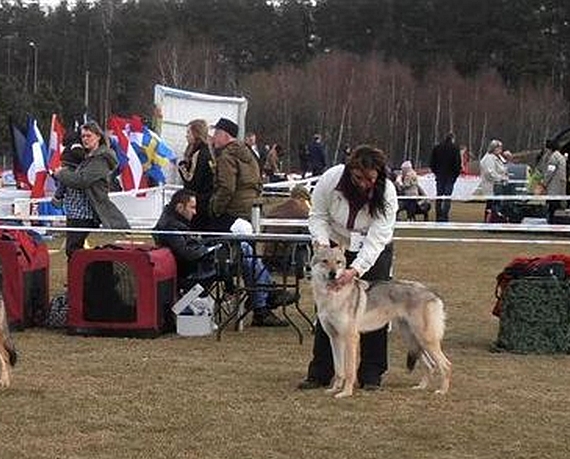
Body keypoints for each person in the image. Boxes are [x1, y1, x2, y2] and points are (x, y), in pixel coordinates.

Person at [299, 145, 398, 391]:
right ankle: (321, 372)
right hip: (334, 244)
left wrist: (356, 270)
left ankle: (372, 374)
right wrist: (322, 244)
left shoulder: (387, 192)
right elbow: (318, 215)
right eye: (358, 177)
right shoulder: (331, 179)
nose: (364, 184)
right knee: (327, 310)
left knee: (375, 307)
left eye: (370, 179)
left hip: (372, 248)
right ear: (350, 169)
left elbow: (378, 237)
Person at [153, 189, 296, 327]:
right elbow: (187, 254)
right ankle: (264, 297)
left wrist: (207, 247)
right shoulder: (171, 226)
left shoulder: (172, 222)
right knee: (243, 250)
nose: (195, 212)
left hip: (200, 265)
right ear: (179, 207)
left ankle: (263, 298)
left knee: (243, 251)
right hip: (196, 270)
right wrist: (208, 249)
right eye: (192, 207)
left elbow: (189, 250)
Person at [52, 121, 130, 258]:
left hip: (84, 213)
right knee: (73, 251)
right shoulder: (87, 157)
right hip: (75, 211)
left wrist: (60, 174)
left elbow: (81, 181)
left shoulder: (101, 160)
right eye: (83, 136)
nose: (85, 139)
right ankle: (79, 278)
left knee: (74, 251)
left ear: (98, 136)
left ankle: (82, 278)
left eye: (89, 136)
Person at [208, 117, 261, 232]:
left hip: (232, 210)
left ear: (225, 136)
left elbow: (227, 187)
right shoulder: (250, 155)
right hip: (249, 209)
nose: (213, 138)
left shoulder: (226, 157)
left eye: (217, 133)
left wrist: (216, 209)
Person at [176, 118, 214, 231]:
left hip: (200, 201)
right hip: (207, 199)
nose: (186, 136)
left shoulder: (199, 153)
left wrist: (182, 167)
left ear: (196, 133)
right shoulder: (209, 151)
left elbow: (191, 181)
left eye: (188, 132)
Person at [428, 132, 462, 221]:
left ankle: (438, 215)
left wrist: (436, 172)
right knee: (447, 197)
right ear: (452, 139)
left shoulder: (437, 148)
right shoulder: (455, 149)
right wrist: (456, 175)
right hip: (450, 176)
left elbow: (432, 163)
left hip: (439, 175)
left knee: (439, 196)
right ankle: (445, 216)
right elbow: (457, 163)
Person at [540, 139, 567, 221]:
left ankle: (551, 222)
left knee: (552, 207)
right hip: (560, 187)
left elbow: (549, 172)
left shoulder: (553, 158)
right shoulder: (561, 157)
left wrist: (544, 183)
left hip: (553, 187)